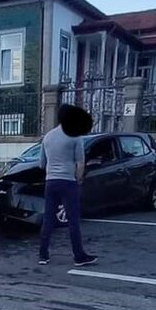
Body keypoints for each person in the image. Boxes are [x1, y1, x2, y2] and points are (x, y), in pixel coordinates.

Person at [38, 104, 96, 267]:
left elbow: (41, 164)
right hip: (68, 182)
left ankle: (43, 255)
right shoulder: (75, 136)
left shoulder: (48, 137)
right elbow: (80, 163)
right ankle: (79, 256)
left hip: (50, 182)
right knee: (73, 220)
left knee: (48, 219)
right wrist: (78, 179)